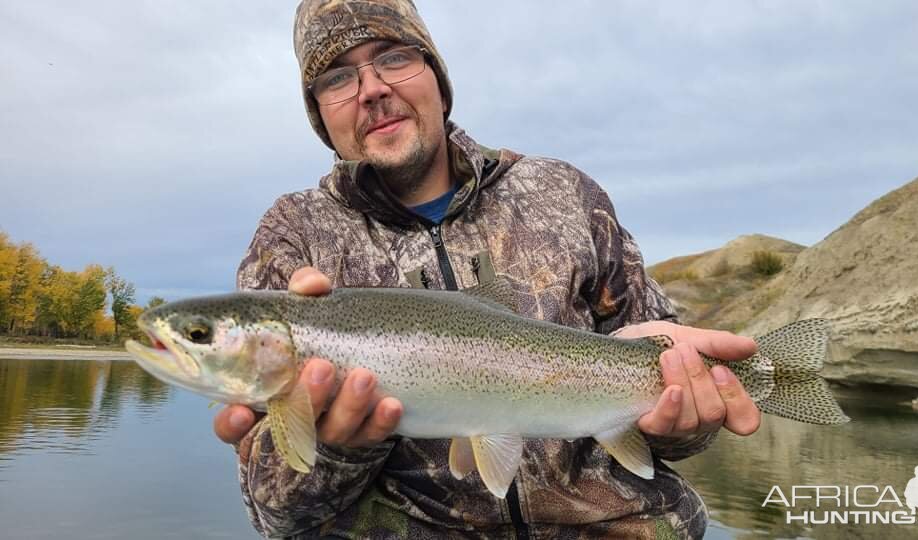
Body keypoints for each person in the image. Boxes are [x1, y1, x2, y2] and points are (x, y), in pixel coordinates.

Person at [214, 1, 761, 538]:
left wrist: (682, 422)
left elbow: (677, 428)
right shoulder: (294, 234)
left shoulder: (563, 192)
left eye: (395, 58)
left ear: (437, 77)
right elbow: (277, 515)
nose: (373, 89)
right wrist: (342, 445)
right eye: (337, 78)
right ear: (319, 114)